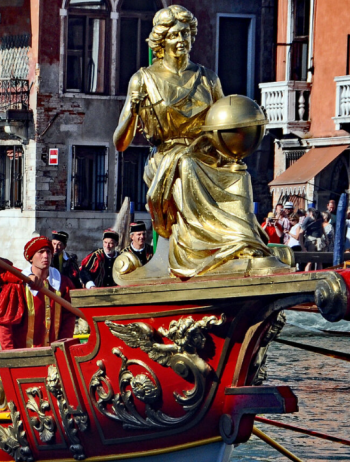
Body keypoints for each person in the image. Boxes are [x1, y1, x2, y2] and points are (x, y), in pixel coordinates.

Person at [113, 4, 272, 278]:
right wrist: (133, 112)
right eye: (174, 35)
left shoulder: (208, 78)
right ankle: (200, 253)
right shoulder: (143, 80)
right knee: (187, 165)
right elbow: (120, 143)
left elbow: (224, 121)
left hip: (207, 153)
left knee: (238, 174)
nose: (181, 40)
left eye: (185, 33)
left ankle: (243, 243)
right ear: (162, 40)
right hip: (168, 157)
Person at [0, 236, 76, 350]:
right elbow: (5, 325)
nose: (45, 256)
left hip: (55, 354)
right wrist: (10, 355)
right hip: (25, 355)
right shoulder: (17, 286)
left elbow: (69, 319)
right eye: (41, 252)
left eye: (48, 252)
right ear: (31, 258)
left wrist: (63, 348)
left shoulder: (64, 284)